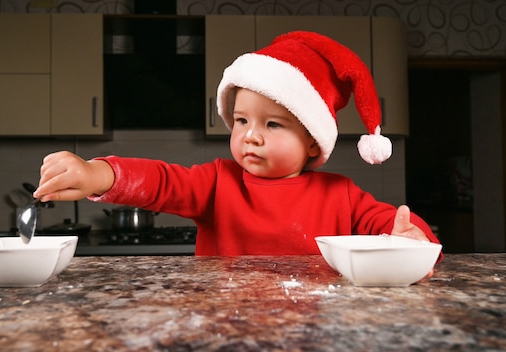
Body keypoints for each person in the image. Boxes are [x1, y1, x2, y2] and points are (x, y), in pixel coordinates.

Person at [34, 31, 441, 258]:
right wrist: (95, 173)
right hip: (224, 323)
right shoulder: (218, 183)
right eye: (242, 120)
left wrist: (414, 241)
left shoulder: (341, 196)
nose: (251, 134)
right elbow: (160, 182)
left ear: (314, 144)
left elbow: (394, 226)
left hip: (312, 326)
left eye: (273, 124)